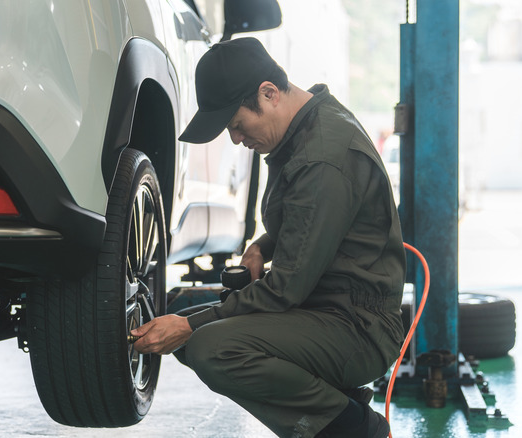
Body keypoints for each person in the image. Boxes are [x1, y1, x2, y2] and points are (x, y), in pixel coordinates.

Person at [131, 37, 406, 438]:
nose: (237, 140)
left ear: (269, 93)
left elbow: (283, 290)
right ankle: (337, 403)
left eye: (238, 126)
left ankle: (353, 429)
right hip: (323, 309)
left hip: (358, 328)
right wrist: (262, 245)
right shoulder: (303, 130)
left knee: (210, 346)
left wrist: (191, 327)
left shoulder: (322, 158)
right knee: (186, 327)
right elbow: (309, 219)